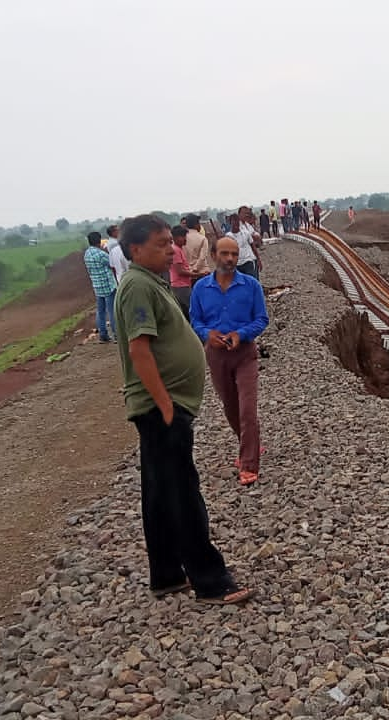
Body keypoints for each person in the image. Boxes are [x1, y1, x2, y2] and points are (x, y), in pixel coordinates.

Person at [111, 213, 253, 604]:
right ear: (135, 250)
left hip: (163, 407)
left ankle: (167, 574)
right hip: (162, 408)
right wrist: (166, 406)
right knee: (183, 494)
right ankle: (210, 580)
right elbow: (139, 350)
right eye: (160, 243)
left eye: (168, 242)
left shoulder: (147, 282)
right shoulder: (138, 287)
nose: (171, 249)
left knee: (159, 491)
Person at [189, 235, 269, 487]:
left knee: (247, 409)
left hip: (245, 354)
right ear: (213, 255)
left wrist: (240, 334)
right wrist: (207, 335)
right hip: (216, 356)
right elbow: (196, 320)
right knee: (230, 407)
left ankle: (248, 463)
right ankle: (250, 443)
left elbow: (261, 319)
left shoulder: (251, 286)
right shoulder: (201, 288)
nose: (230, 259)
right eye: (225, 254)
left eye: (234, 254)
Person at [84, 232, 116, 343]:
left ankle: (103, 335)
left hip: (97, 286)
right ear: (99, 240)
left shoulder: (87, 254)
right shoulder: (101, 254)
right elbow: (112, 264)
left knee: (100, 311)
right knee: (112, 311)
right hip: (108, 285)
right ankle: (117, 334)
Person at [169, 225, 196, 317]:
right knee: (193, 310)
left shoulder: (179, 249)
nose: (185, 239)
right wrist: (197, 274)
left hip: (182, 285)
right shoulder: (175, 250)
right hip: (181, 286)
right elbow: (180, 271)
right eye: (183, 237)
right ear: (175, 237)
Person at [227, 214, 260, 279]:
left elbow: (253, 247)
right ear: (230, 223)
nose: (236, 225)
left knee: (252, 281)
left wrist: (258, 259)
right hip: (236, 264)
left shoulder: (246, 233)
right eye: (234, 223)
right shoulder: (228, 236)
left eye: (237, 222)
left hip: (248, 261)